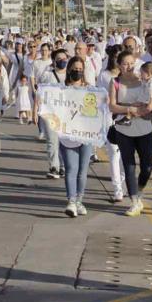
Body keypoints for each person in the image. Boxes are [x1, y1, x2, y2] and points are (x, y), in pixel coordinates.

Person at [109, 51, 152, 216]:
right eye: (125, 63)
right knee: (129, 164)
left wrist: (150, 107)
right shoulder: (115, 82)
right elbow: (112, 106)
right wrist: (129, 109)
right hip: (123, 129)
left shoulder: (145, 80)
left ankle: (139, 190)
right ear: (119, 65)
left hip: (144, 128)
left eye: (132, 63)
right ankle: (134, 201)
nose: (129, 66)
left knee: (147, 165)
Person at [59, 56, 95, 218]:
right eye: (75, 69)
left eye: (80, 70)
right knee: (71, 169)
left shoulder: (90, 89)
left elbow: (96, 111)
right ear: (69, 70)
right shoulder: (61, 89)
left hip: (86, 134)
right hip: (68, 135)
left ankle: (79, 200)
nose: (78, 72)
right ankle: (71, 201)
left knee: (83, 170)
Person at [33, 49, 69, 179]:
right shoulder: (47, 75)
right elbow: (39, 92)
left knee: (64, 141)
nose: (62, 61)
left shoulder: (71, 74)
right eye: (59, 59)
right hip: (50, 113)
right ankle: (54, 167)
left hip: (66, 114)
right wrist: (35, 110)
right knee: (52, 141)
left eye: (64, 58)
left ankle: (64, 166)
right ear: (53, 61)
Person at [98, 46, 126, 202]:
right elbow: (98, 96)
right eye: (115, 57)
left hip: (127, 119)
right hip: (109, 119)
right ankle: (117, 190)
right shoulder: (104, 76)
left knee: (126, 155)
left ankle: (123, 180)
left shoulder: (129, 77)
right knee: (114, 154)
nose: (118, 60)